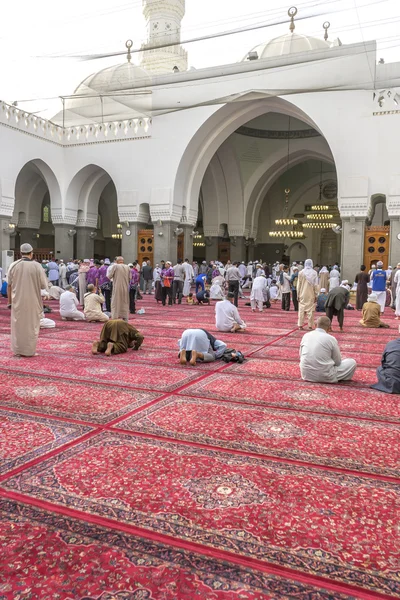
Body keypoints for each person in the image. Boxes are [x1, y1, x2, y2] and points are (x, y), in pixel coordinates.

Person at [7, 243, 49, 357]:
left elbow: (9, 285)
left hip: (17, 301)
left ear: (21, 253)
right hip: (33, 301)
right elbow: (43, 285)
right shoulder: (37, 266)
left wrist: (9, 302)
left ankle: (18, 350)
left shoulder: (13, 265)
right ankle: (29, 351)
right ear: (31, 253)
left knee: (18, 326)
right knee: (31, 326)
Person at [300, 316, 357, 383]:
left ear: (315, 325)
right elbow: (337, 362)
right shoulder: (330, 339)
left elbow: (301, 355)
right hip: (325, 375)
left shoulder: (306, 335)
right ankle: (340, 378)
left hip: (306, 375)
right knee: (352, 362)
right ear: (329, 328)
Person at [297, 259, 318, 329]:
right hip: (311, 294)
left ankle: (300, 325)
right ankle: (310, 326)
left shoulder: (301, 272)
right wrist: (316, 294)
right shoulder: (314, 273)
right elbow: (316, 285)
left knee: (301, 310)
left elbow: (298, 285)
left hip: (302, 294)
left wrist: (298, 294)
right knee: (310, 311)